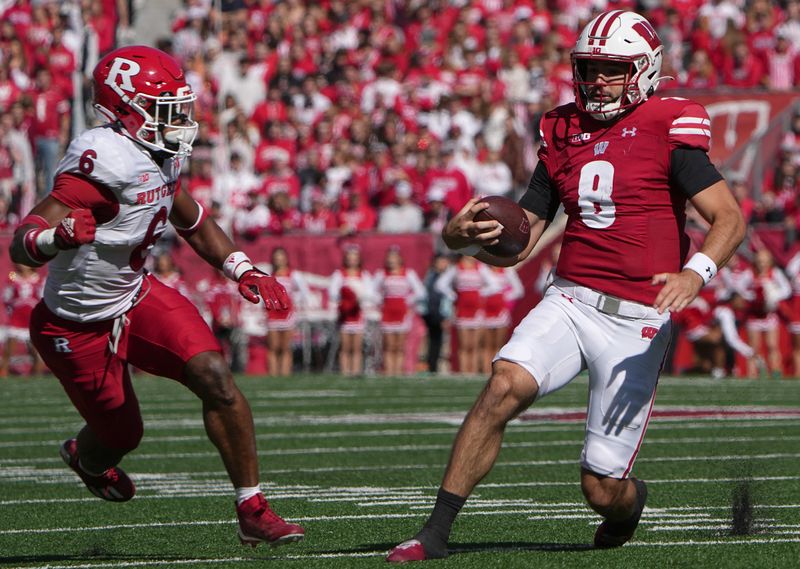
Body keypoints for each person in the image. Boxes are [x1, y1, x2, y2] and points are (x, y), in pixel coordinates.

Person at [387, 11, 746, 562]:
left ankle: (630, 504)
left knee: (601, 489)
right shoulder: (561, 130)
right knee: (503, 384)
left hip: (636, 318)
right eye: (590, 68)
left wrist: (694, 274)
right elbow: (521, 240)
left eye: (611, 68)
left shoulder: (666, 126)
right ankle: (434, 533)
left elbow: (729, 218)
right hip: (570, 298)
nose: (597, 80)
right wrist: (455, 239)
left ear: (643, 70)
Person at [9, 46, 304, 548]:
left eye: (180, 107)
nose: (181, 119)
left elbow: (189, 217)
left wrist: (242, 268)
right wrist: (55, 238)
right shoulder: (103, 159)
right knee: (121, 438)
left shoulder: (156, 153)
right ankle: (85, 458)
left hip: (136, 296)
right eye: (165, 108)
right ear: (124, 109)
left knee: (216, 377)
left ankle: (252, 509)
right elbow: (23, 240)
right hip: (74, 324)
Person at [372, 246, 426, 376]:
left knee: (400, 346)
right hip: (387, 312)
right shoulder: (381, 274)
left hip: (402, 312)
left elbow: (421, 292)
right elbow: (372, 291)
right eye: (389, 257)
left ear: (400, 259)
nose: (391, 260)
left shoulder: (408, 273)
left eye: (394, 257)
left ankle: (398, 372)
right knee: (389, 345)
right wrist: (381, 300)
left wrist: (408, 301)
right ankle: (389, 372)